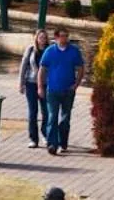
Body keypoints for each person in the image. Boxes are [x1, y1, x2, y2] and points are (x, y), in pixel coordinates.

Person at [37, 26, 87, 155]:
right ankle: (52, 144)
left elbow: (81, 68)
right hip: (52, 90)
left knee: (65, 118)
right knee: (52, 117)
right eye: (63, 36)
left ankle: (62, 142)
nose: (65, 38)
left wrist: (76, 84)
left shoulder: (74, 51)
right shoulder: (49, 51)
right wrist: (40, 87)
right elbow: (42, 70)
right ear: (56, 37)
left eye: (66, 36)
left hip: (68, 91)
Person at [18, 29, 51, 149]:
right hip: (31, 83)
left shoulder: (50, 50)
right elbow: (23, 66)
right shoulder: (31, 50)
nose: (42, 40)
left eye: (44, 37)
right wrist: (21, 83)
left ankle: (45, 134)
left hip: (46, 84)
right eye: (40, 37)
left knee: (46, 111)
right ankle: (33, 138)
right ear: (36, 38)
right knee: (33, 112)